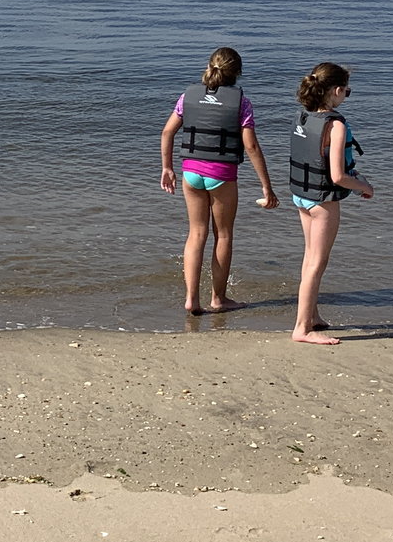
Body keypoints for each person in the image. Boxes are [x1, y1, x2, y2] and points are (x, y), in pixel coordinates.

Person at [158, 47, 278, 315]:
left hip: (190, 173)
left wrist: (167, 168)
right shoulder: (242, 103)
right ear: (238, 73)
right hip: (221, 175)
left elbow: (167, 132)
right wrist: (266, 186)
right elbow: (251, 147)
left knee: (196, 234)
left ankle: (191, 299)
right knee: (222, 235)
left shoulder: (186, 97)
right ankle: (218, 299)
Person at [287, 61, 373, 345]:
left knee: (309, 257)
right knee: (317, 263)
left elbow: (320, 159)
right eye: (347, 92)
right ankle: (302, 328)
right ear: (336, 91)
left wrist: (354, 173)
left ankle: (311, 315)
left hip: (302, 195)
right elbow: (337, 175)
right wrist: (364, 186)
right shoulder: (335, 124)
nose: (346, 97)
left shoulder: (304, 117)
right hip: (322, 200)